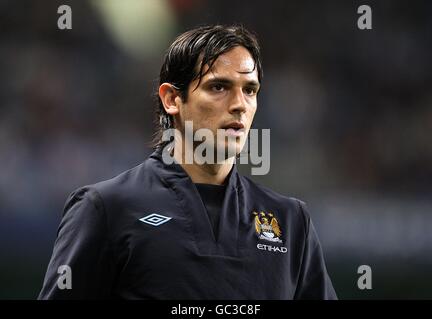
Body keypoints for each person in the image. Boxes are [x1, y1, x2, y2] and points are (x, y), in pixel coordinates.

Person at [38, 25, 337, 299]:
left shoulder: (291, 221)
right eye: (218, 87)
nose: (239, 105)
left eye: (250, 90)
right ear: (172, 99)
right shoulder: (106, 209)